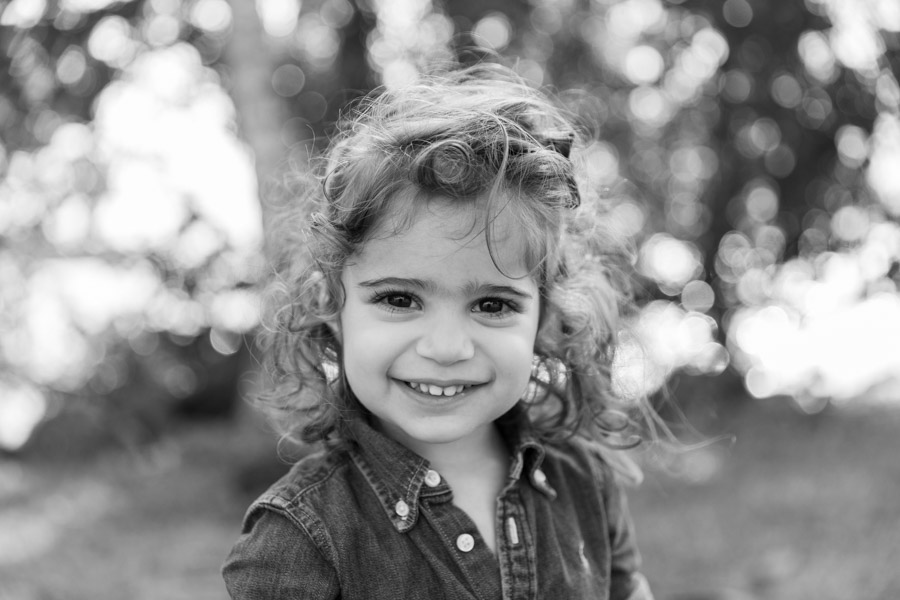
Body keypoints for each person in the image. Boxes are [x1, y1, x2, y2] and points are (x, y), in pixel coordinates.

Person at [223, 62, 657, 599]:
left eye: (493, 305)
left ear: (544, 320)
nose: (447, 348)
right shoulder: (300, 541)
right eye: (400, 300)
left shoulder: (584, 483)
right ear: (330, 306)